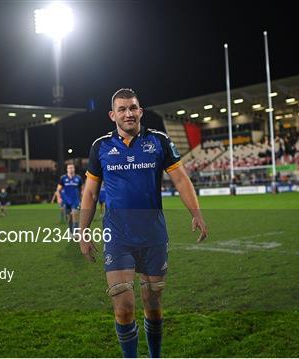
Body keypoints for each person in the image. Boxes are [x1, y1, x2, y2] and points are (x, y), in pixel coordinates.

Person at [78, 88, 208, 358]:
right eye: (122, 109)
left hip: (153, 235)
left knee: (153, 304)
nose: (128, 113)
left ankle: (155, 356)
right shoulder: (100, 146)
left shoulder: (159, 141)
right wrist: (83, 232)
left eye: (133, 108)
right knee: (123, 307)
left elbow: (181, 179)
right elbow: (90, 192)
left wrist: (196, 213)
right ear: (112, 115)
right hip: (118, 236)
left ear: (141, 111)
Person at [56, 164, 83, 233]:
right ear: (67, 169)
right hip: (66, 201)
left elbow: (82, 190)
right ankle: (71, 231)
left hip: (75, 201)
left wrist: (82, 199)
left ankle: (76, 233)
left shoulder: (78, 178)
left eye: (72, 168)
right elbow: (58, 190)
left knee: (75, 215)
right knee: (69, 218)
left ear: (74, 169)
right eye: (69, 168)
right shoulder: (63, 178)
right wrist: (59, 198)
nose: (70, 169)